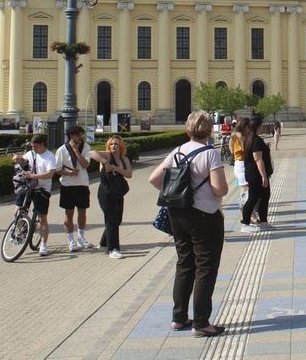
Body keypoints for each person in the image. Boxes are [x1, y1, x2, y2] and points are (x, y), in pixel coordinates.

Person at [148, 111, 228, 338]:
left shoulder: (177, 151)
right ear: (210, 130)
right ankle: (201, 323)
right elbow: (220, 189)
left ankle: (179, 317)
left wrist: (178, 194)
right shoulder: (210, 154)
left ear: (187, 130)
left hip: (177, 214)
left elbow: (154, 179)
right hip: (204, 216)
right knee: (205, 268)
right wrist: (204, 193)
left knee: (184, 264)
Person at [12, 134, 56, 256]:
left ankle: (43, 244)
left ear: (42, 144)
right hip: (28, 187)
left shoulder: (49, 157)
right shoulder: (30, 154)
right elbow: (24, 161)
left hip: (42, 189)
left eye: (35, 146)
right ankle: (23, 231)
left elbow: (50, 174)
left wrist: (33, 176)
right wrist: (18, 159)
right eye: (32, 146)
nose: (33, 149)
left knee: (42, 218)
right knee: (17, 212)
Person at [91, 135, 132, 259]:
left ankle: (104, 243)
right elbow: (91, 152)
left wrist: (116, 168)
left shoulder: (124, 159)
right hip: (106, 192)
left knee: (117, 220)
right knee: (111, 219)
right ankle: (113, 249)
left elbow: (129, 174)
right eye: (112, 144)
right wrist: (105, 163)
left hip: (118, 192)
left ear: (121, 146)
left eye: (117, 144)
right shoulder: (107, 156)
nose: (114, 146)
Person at [55, 125, 94, 252]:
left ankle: (81, 237)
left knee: (82, 212)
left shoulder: (86, 147)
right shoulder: (62, 150)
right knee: (69, 214)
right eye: (78, 135)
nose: (80, 137)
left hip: (82, 184)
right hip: (67, 185)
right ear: (71, 136)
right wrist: (70, 173)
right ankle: (71, 240)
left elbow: (86, 164)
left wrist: (76, 151)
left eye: (81, 134)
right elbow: (57, 170)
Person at [240, 116, 272, 233]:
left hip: (253, 173)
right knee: (253, 198)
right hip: (256, 175)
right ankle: (245, 223)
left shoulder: (249, 138)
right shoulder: (256, 140)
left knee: (265, 196)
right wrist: (264, 176)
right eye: (261, 125)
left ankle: (263, 222)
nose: (262, 127)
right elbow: (258, 159)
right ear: (258, 127)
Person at [230, 118, 249, 213]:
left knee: (244, 189)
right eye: (248, 127)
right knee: (246, 190)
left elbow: (231, 150)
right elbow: (246, 149)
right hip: (241, 165)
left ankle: (245, 214)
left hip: (239, 164)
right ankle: (245, 214)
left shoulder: (233, 136)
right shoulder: (239, 136)